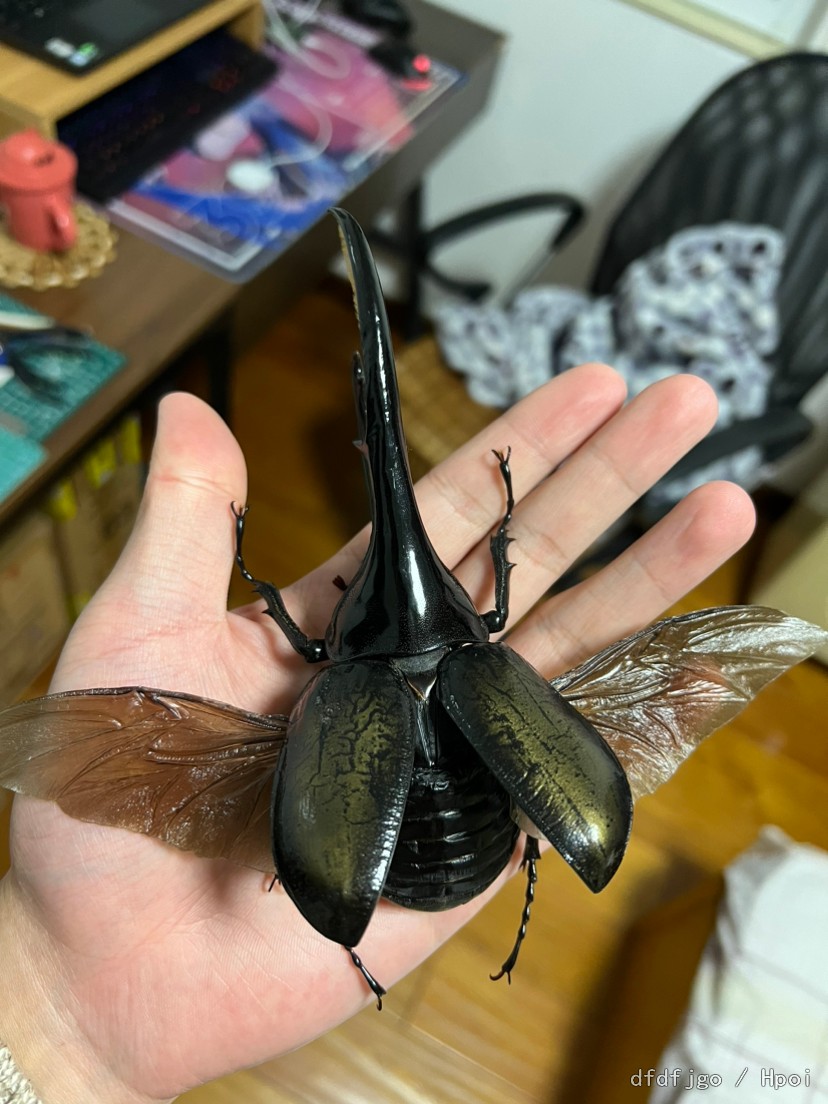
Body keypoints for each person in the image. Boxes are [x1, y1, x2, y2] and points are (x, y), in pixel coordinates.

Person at [0, 367, 755, 1104]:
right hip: (474, 849)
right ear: (469, 612)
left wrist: (258, 583)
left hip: (399, 852)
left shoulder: (333, 676)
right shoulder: (484, 645)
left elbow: (301, 653)